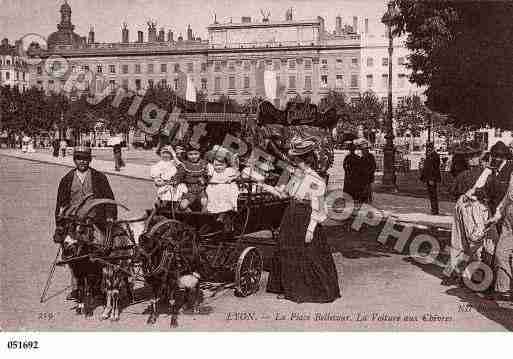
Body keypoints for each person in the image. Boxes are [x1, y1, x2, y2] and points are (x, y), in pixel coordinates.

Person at [264, 137, 341, 303]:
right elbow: (284, 194)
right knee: (286, 250)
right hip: (291, 214)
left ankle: (305, 290)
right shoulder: (295, 176)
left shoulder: (316, 181)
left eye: (296, 160)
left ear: (305, 161)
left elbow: (319, 207)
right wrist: (267, 187)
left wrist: (311, 229)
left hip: (306, 218)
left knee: (307, 253)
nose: (294, 163)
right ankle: (288, 288)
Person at [54, 146, 117, 301]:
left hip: (95, 221)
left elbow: (109, 199)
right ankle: (76, 287)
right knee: (73, 254)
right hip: (74, 223)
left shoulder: (99, 177)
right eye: (79, 158)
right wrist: (60, 224)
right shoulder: (67, 179)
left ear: (90, 160)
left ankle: (98, 287)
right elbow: (60, 204)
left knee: (97, 253)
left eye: (85, 158)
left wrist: (110, 217)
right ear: (74, 160)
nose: (82, 161)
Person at [179, 143, 209, 212]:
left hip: (201, 190)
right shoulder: (184, 164)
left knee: (205, 203)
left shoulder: (203, 163)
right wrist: (175, 180)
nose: (193, 156)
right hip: (189, 191)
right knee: (183, 206)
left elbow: (207, 176)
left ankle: (203, 217)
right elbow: (179, 175)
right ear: (187, 154)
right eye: (190, 154)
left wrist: (204, 180)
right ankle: (189, 215)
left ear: (199, 154)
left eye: (196, 154)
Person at [420, 143, 441, 215]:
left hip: (431, 178)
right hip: (429, 178)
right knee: (431, 194)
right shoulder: (430, 155)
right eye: (427, 147)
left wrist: (432, 179)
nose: (428, 149)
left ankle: (435, 210)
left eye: (429, 147)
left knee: (433, 194)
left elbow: (434, 169)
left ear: (432, 148)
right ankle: (433, 209)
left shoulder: (434, 156)